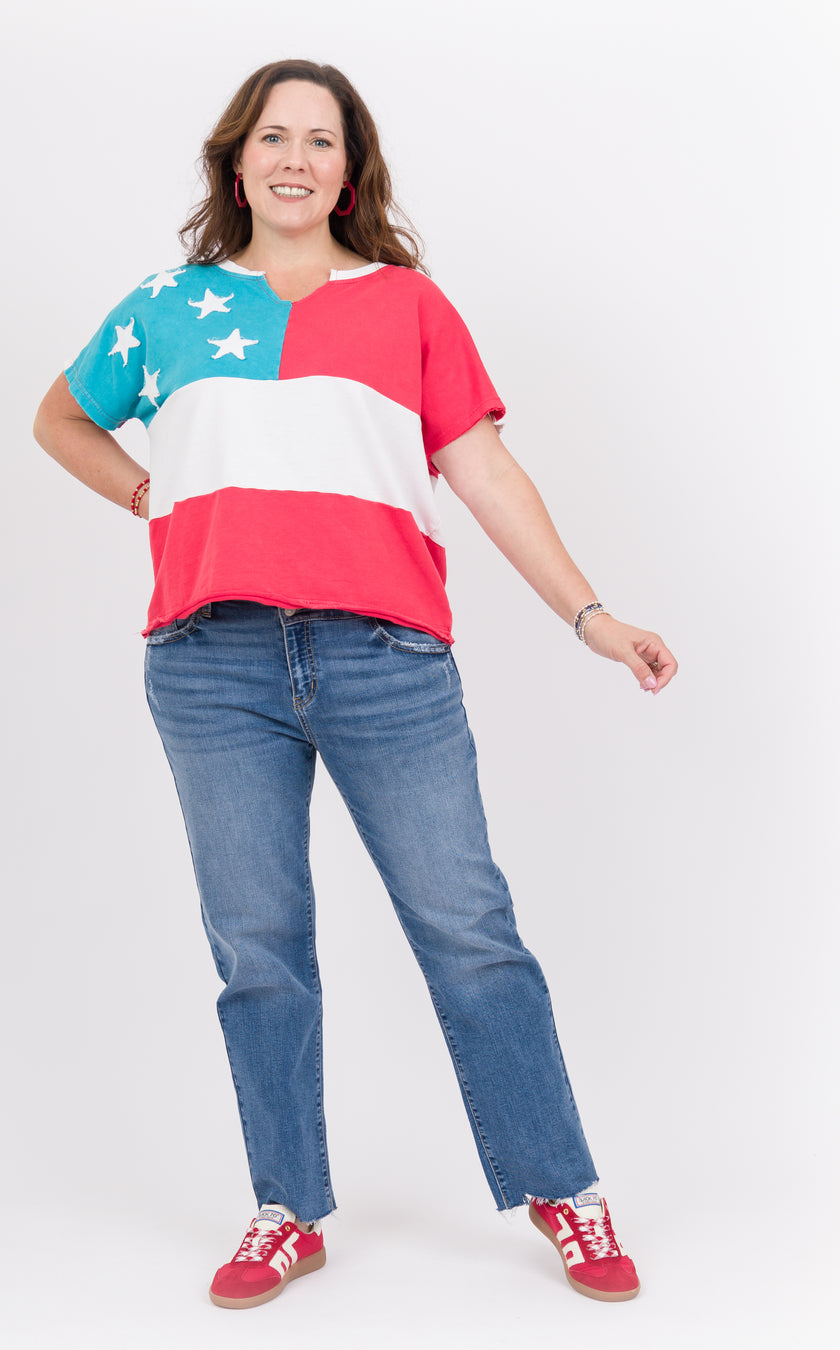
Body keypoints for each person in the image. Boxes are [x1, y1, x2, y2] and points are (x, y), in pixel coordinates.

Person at [33, 58, 676, 1310]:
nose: (295, 158)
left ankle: (561, 1186)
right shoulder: (164, 307)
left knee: (469, 929)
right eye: (273, 137)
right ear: (238, 163)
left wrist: (591, 616)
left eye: (320, 141)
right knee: (258, 947)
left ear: (349, 171)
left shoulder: (407, 307)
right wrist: (148, 492)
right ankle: (288, 1208)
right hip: (210, 662)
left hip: (386, 659)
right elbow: (60, 418)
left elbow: (487, 475)